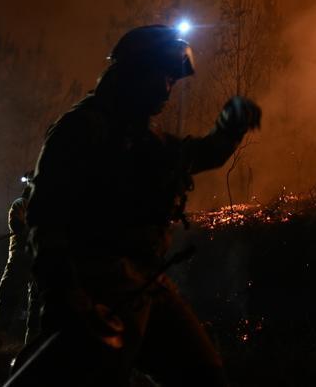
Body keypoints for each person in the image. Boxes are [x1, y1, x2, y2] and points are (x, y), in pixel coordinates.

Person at [17, 24, 260, 386]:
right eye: (162, 76)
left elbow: (191, 156)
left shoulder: (146, 135)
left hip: (146, 283)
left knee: (205, 376)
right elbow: (45, 217)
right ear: (134, 73)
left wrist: (228, 131)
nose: (167, 89)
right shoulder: (83, 129)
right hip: (97, 286)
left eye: (172, 80)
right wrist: (67, 294)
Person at [0, 173, 40, 351]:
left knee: (37, 302)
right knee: (9, 297)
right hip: (20, 259)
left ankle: (32, 344)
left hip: (38, 260)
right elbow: (16, 224)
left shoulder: (48, 206)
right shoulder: (21, 204)